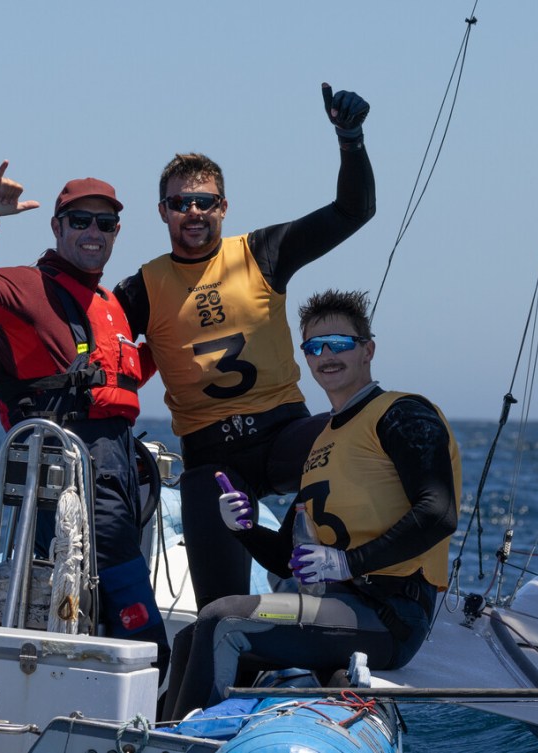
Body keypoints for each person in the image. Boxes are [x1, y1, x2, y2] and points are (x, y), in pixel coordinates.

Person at [114, 84, 377, 610]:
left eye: (205, 202)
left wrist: (351, 140)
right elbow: (92, 339)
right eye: (180, 203)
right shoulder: (141, 288)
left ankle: (360, 609)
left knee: (355, 443)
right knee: (219, 610)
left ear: (224, 207)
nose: (193, 211)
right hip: (212, 459)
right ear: (162, 212)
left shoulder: (262, 251)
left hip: (284, 432)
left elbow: (354, 211)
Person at [160, 289, 461, 720]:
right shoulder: (324, 441)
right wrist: (243, 528)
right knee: (193, 635)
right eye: (314, 347)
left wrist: (347, 563)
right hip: (337, 608)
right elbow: (286, 560)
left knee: (222, 620)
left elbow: (438, 512)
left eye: (340, 343)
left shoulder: (403, 414)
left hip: (389, 615)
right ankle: (167, 736)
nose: (327, 355)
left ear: (367, 350)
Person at [0, 161, 169, 674]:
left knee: (105, 606)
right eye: (81, 220)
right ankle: (153, 696)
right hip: (67, 472)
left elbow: (118, 385)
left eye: (105, 223)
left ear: (116, 233)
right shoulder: (26, 286)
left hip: (120, 470)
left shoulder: (111, 304)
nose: (93, 232)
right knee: (141, 624)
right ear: (58, 227)